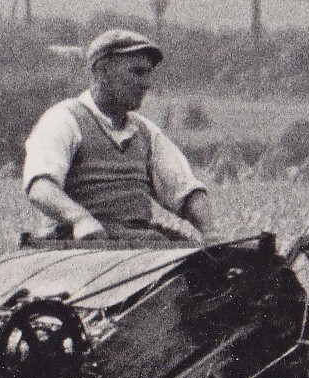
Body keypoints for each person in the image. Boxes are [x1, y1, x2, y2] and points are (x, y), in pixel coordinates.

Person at [23, 28, 216, 242]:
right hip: (75, 245)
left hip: (134, 242)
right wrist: (80, 220)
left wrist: (210, 233)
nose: (146, 83)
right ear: (103, 71)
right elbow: (40, 186)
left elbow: (185, 190)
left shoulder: (145, 132)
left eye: (149, 73)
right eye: (137, 72)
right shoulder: (63, 120)